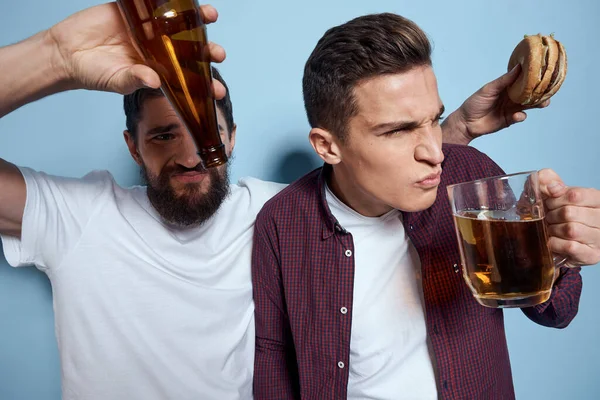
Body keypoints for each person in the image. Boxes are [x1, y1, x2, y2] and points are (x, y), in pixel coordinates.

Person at [0, 2, 563, 399]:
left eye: (205, 130)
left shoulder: (272, 211)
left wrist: (452, 128)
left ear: (233, 136)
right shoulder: (80, 218)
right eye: (163, 134)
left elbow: (379, 169)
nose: (192, 155)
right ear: (132, 145)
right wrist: (54, 56)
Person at [251, 12, 600, 400]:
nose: (435, 153)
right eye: (398, 130)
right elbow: (274, 356)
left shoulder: (471, 176)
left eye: (433, 120)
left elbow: (557, 311)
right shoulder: (281, 222)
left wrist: (557, 253)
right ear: (327, 146)